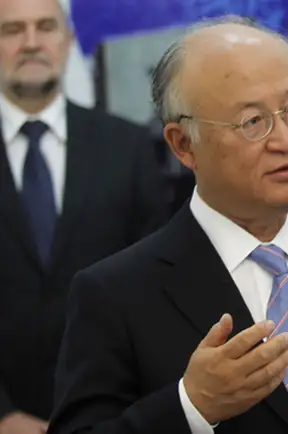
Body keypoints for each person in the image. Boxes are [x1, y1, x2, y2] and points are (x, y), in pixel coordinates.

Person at [48, 17, 288, 434]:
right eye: (253, 121)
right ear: (183, 144)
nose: (286, 141)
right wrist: (191, 407)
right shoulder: (115, 293)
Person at [0, 0, 167, 431]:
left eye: (45, 27)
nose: (31, 43)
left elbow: (153, 286)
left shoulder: (127, 147)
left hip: (111, 411)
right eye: (12, 30)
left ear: (68, 40)